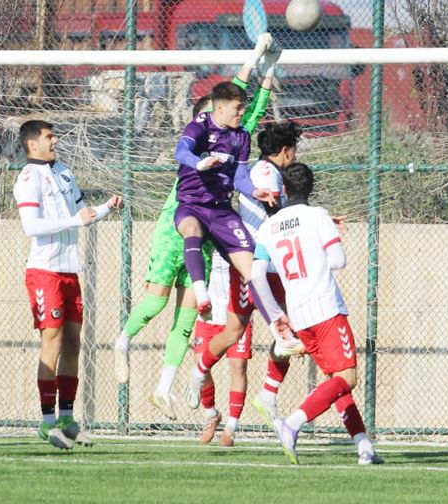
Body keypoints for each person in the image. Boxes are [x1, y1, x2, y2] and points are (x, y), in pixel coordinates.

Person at [113, 34, 281, 422]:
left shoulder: (234, 135)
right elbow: (236, 92)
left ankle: (163, 388)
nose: (233, 115)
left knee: (186, 320)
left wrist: (268, 70)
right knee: (156, 303)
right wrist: (255, 56)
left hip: (210, 228)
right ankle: (122, 341)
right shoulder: (199, 132)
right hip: (179, 227)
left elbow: (249, 108)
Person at [250, 162, 382, 465]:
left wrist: (275, 316)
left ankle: (364, 447)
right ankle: (292, 423)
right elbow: (338, 260)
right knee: (347, 378)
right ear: (311, 189)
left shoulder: (268, 227)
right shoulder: (318, 216)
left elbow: (257, 275)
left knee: (335, 381)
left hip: (296, 313)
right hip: (325, 308)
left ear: (283, 190)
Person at [193, 122, 304, 446]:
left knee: (244, 331)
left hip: (254, 265)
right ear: (285, 152)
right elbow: (280, 215)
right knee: (284, 331)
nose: (294, 156)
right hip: (260, 266)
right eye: (294, 150)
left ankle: (209, 375)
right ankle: (260, 391)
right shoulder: (267, 174)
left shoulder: (263, 172)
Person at [14, 120, 122, 449]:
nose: (55, 140)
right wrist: (76, 220)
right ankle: (47, 422)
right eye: (49, 137)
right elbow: (31, 227)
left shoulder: (63, 171)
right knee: (53, 341)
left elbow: (81, 212)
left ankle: (66, 418)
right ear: (33, 144)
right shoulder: (28, 178)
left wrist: (105, 208)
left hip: (69, 271)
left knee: (74, 344)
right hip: (44, 271)